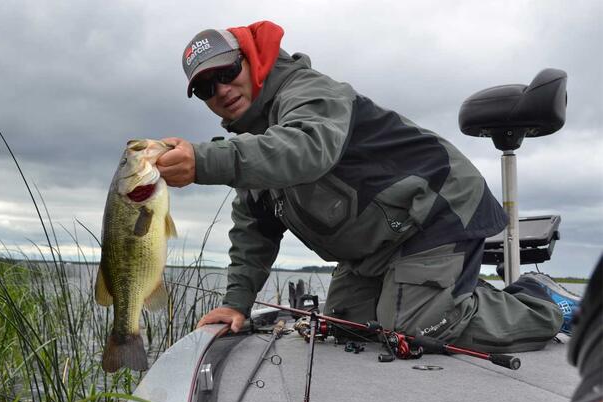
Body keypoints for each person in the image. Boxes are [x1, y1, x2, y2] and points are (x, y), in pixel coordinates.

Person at [156, 20, 579, 353]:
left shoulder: (307, 92)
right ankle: (452, 292)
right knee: (347, 325)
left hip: (435, 212)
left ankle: (544, 305)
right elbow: (254, 233)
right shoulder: (253, 150)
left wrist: (204, 161)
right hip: (379, 246)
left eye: (228, 72)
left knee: (414, 328)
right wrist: (236, 303)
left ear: (250, 59)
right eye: (207, 88)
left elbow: (307, 148)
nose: (222, 90)